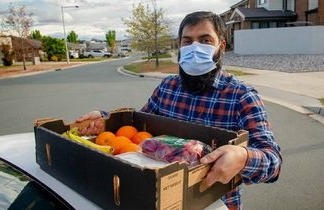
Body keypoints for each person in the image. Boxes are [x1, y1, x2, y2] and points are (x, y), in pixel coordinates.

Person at [77, 11, 282, 210]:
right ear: (180, 45)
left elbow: (273, 162)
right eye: (187, 41)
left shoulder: (241, 96)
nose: (195, 48)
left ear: (221, 45)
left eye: (205, 40)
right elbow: (137, 126)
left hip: (215, 203)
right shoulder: (168, 87)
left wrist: (244, 157)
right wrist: (106, 119)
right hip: (162, 198)